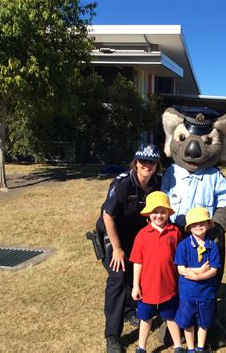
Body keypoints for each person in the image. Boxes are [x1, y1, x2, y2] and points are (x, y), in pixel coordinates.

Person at [96, 143, 162, 353]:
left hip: (135, 238)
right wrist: (116, 248)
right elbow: (108, 216)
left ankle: (130, 310)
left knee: (138, 274)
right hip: (112, 234)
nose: (147, 165)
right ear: (136, 162)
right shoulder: (123, 183)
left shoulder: (157, 183)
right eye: (143, 161)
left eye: (151, 162)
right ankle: (113, 335)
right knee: (117, 278)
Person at [129, 191, 185, 353]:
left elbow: (180, 259)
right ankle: (141, 347)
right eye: (155, 212)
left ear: (168, 213)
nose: (158, 215)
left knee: (171, 317)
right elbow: (137, 262)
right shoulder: (142, 235)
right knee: (145, 319)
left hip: (169, 286)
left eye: (162, 211)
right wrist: (135, 286)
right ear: (149, 214)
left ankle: (178, 346)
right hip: (147, 288)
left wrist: (180, 282)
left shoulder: (175, 232)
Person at [174, 207, 222, 353]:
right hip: (187, 293)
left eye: (202, 223)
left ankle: (200, 347)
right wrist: (200, 271)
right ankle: (190, 348)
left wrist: (197, 277)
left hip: (206, 293)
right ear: (189, 228)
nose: (198, 226)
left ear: (208, 224)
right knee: (188, 322)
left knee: (204, 322)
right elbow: (181, 269)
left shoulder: (212, 246)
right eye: (194, 224)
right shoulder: (183, 245)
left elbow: (213, 271)